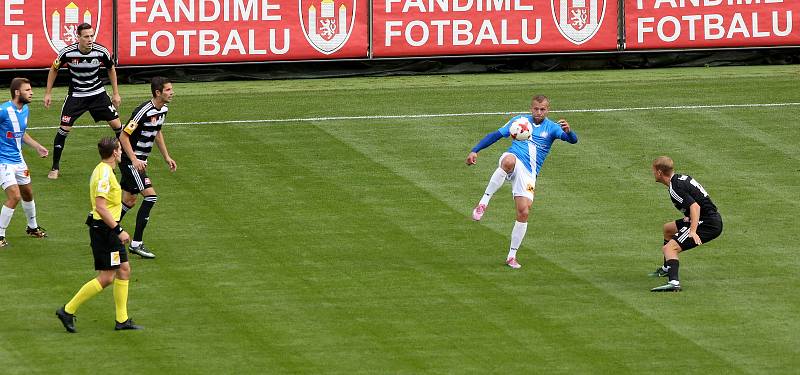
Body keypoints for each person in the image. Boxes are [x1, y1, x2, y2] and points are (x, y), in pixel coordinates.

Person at [466, 95, 578, 269]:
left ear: (548, 110)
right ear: (531, 108)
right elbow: (495, 135)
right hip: (514, 160)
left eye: (542, 109)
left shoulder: (553, 128)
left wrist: (569, 131)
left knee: (523, 212)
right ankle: (483, 203)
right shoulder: (519, 121)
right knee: (508, 161)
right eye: (536, 109)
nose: (539, 112)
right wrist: (475, 151)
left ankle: (511, 256)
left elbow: (573, 140)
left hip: (529, 174)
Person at [55, 137, 142, 332]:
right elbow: (101, 207)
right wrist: (118, 230)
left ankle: (122, 320)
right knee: (106, 277)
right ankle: (67, 310)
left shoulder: (103, 170)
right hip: (105, 230)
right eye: (119, 150)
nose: (121, 153)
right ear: (114, 153)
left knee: (124, 269)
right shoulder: (104, 174)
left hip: (106, 228)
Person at [43, 23, 122, 179]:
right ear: (78, 37)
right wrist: (48, 93)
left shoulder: (102, 51)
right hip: (76, 96)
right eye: (86, 36)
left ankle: (125, 162)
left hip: (98, 94)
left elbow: (111, 69)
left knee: (118, 127)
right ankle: (55, 168)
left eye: (92, 36)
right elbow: (54, 69)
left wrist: (116, 93)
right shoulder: (67, 52)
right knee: (64, 128)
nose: (90, 39)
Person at [118, 77, 177, 259]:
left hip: (139, 160)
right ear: (158, 93)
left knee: (129, 200)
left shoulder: (163, 110)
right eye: (168, 90)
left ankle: (103, 227)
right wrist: (135, 159)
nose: (172, 92)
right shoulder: (143, 111)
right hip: (131, 160)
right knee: (150, 197)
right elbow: (123, 136)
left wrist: (166, 156)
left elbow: (157, 131)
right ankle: (136, 243)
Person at [649, 156, 723, 292]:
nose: (652, 173)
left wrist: (693, 231)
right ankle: (667, 268)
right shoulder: (680, 179)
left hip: (708, 223)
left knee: (669, 249)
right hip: (708, 217)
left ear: (659, 172)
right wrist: (688, 218)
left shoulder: (674, 188)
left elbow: (695, 207)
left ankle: (674, 283)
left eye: (653, 171)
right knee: (668, 229)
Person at [0, 78, 49, 247]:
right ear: (17, 92)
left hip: (19, 161)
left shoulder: (25, 109)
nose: (32, 92)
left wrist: (37, 146)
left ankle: (32, 227)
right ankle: (0, 235)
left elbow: (21, 133)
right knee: (14, 196)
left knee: (27, 193)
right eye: (27, 90)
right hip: (3, 162)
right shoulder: (3, 111)